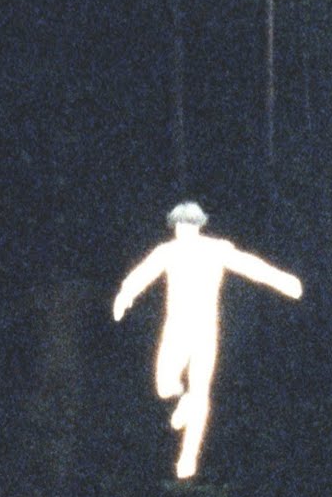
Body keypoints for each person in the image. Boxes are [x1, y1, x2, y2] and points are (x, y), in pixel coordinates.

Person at [113, 201, 303, 479]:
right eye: (180, 226)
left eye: (188, 226)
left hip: (201, 329)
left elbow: (250, 266)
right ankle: (183, 399)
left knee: (200, 390)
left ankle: (188, 456)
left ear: (197, 227)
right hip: (179, 328)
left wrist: (283, 281)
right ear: (175, 227)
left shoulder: (214, 249)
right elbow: (143, 273)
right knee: (165, 386)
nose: (183, 231)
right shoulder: (169, 252)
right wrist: (125, 295)